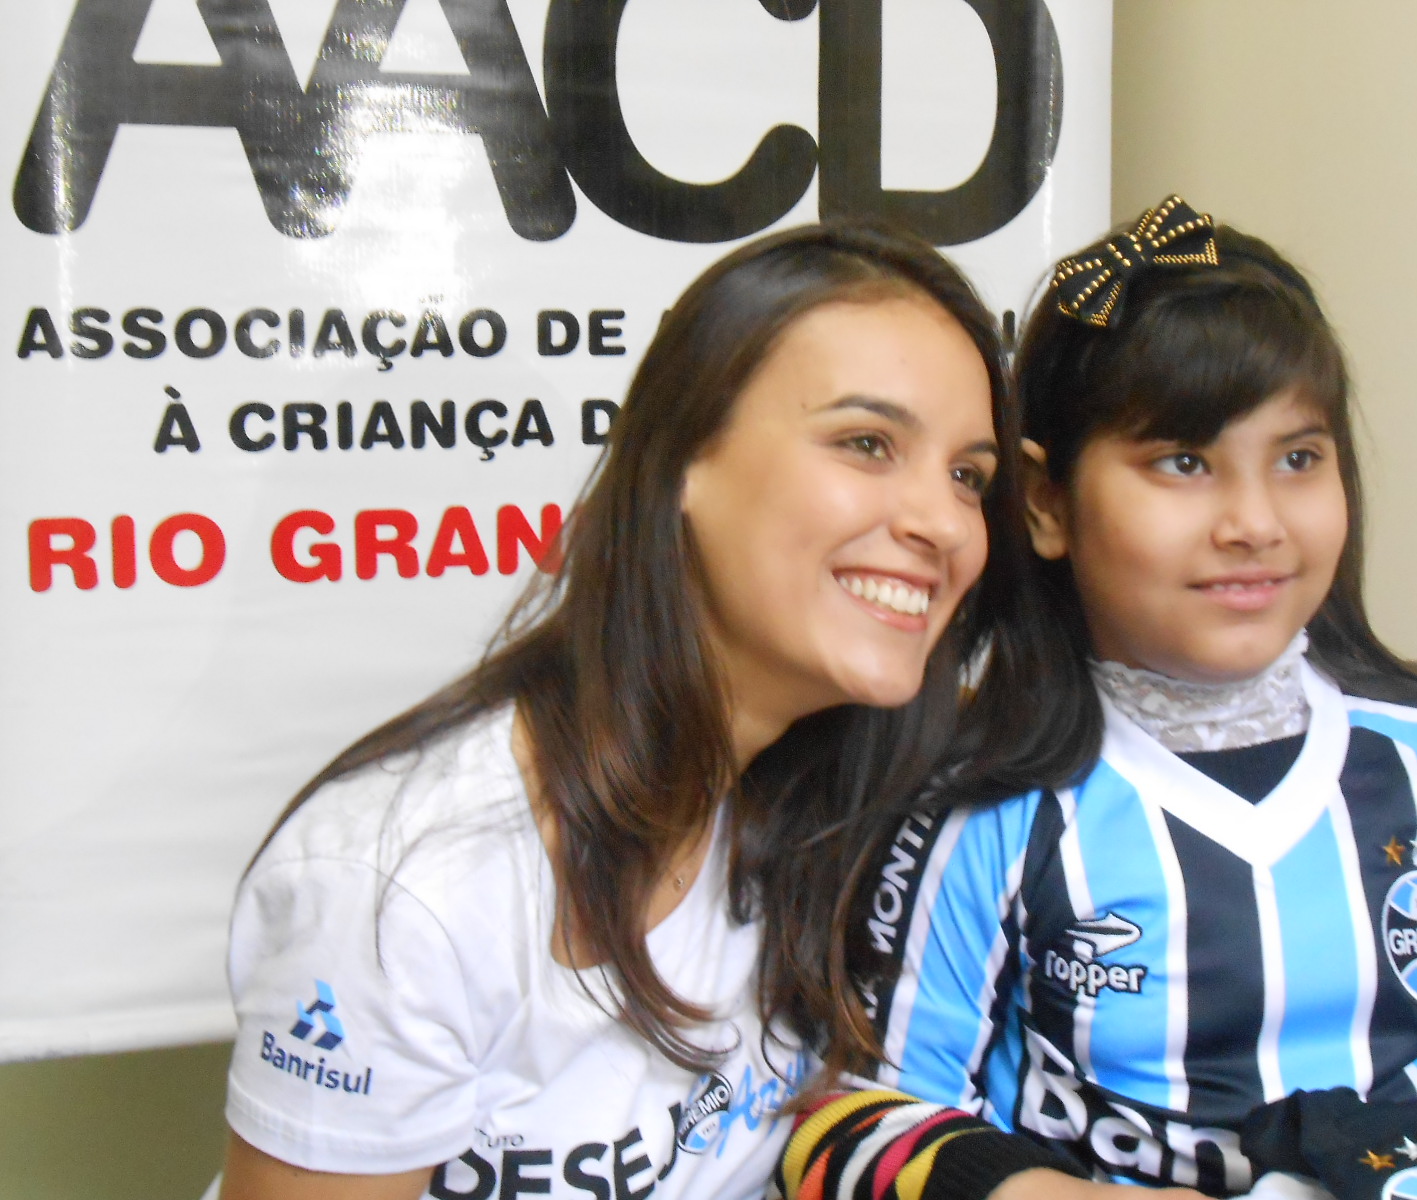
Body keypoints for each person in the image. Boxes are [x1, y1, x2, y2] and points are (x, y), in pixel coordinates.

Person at [777, 199, 1417, 1199]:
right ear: (1043, 501)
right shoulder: (981, 803)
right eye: (1184, 462)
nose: (1253, 522)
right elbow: (855, 1123)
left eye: (1298, 459)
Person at [216, 221, 1048, 1200]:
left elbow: (803, 1106)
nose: (943, 522)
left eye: (967, 477)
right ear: (683, 460)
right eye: (867, 443)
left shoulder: (844, 784)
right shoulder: (406, 888)